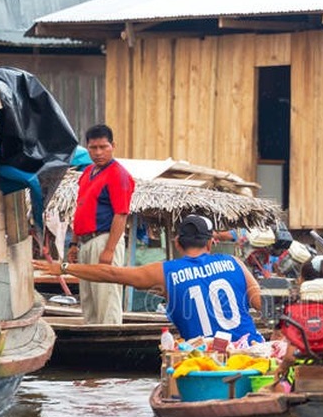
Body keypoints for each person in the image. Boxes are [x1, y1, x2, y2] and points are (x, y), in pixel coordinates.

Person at [37, 214, 264, 344]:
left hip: (204, 359)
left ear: (177, 243)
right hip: (250, 349)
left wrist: (65, 267)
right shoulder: (235, 263)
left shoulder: (164, 272)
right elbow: (264, 304)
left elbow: (112, 274)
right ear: (210, 243)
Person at [68, 124, 135, 324]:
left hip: (104, 239)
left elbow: (121, 214)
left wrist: (109, 250)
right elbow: (80, 209)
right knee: (89, 301)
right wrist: (73, 243)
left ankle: (112, 342)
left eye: (103, 147)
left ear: (113, 146)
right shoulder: (88, 171)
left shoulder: (118, 174)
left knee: (106, 298)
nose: (98, 152)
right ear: (87, 148)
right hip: (86, 241)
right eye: (93, 148)